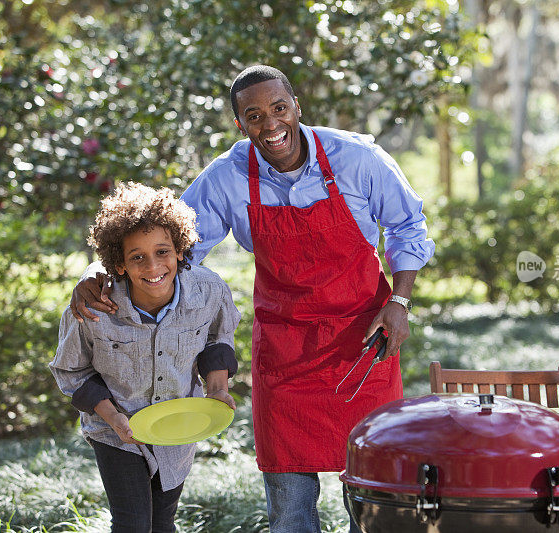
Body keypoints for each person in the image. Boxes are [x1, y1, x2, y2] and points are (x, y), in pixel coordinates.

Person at [69, 65, 435, 532]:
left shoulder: (357, 158)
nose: (270, 124)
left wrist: (399, 303)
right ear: (240, 123)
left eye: (279, 109)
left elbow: (408, 226)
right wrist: (99, 270)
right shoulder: (226, 177)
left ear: (296, 107)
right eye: (254, 115)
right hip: (284, 350)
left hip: (363, 342)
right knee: (289, 509)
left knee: (371, 500)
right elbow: (168, 245)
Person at [51, 182, 241, 533]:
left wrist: (216, 389)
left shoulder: (209, 291)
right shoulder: (94, 309)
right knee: (133, 524)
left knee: (162, 522)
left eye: (163, 251)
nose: (152, 266)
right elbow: (72, 371)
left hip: (178, 422)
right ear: (119, 264)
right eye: (137, 256)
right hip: (114, 428)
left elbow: (217, 338)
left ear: (181, 251)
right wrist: (112, 418)